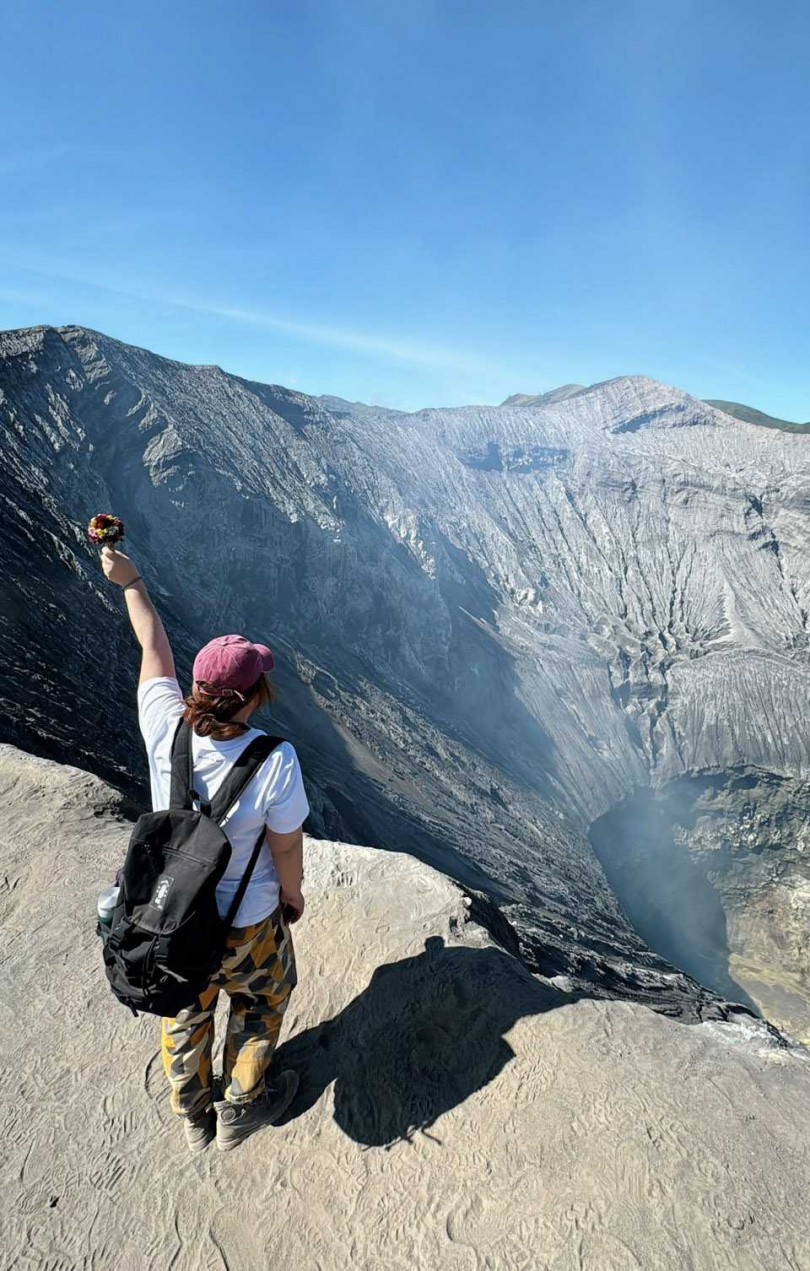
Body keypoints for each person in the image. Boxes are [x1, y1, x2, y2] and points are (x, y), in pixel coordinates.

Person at [100, 542, 309, 1154]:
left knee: (185, 1008)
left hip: (170, 916)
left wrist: (130, 580)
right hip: (246, 922)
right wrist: (291, 897)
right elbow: (287, 846)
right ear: (249, 698)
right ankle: (244, 1102)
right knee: (263, 997)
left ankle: (194, 1114)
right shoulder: (274, 760)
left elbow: (153, 650)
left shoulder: (163, 723)